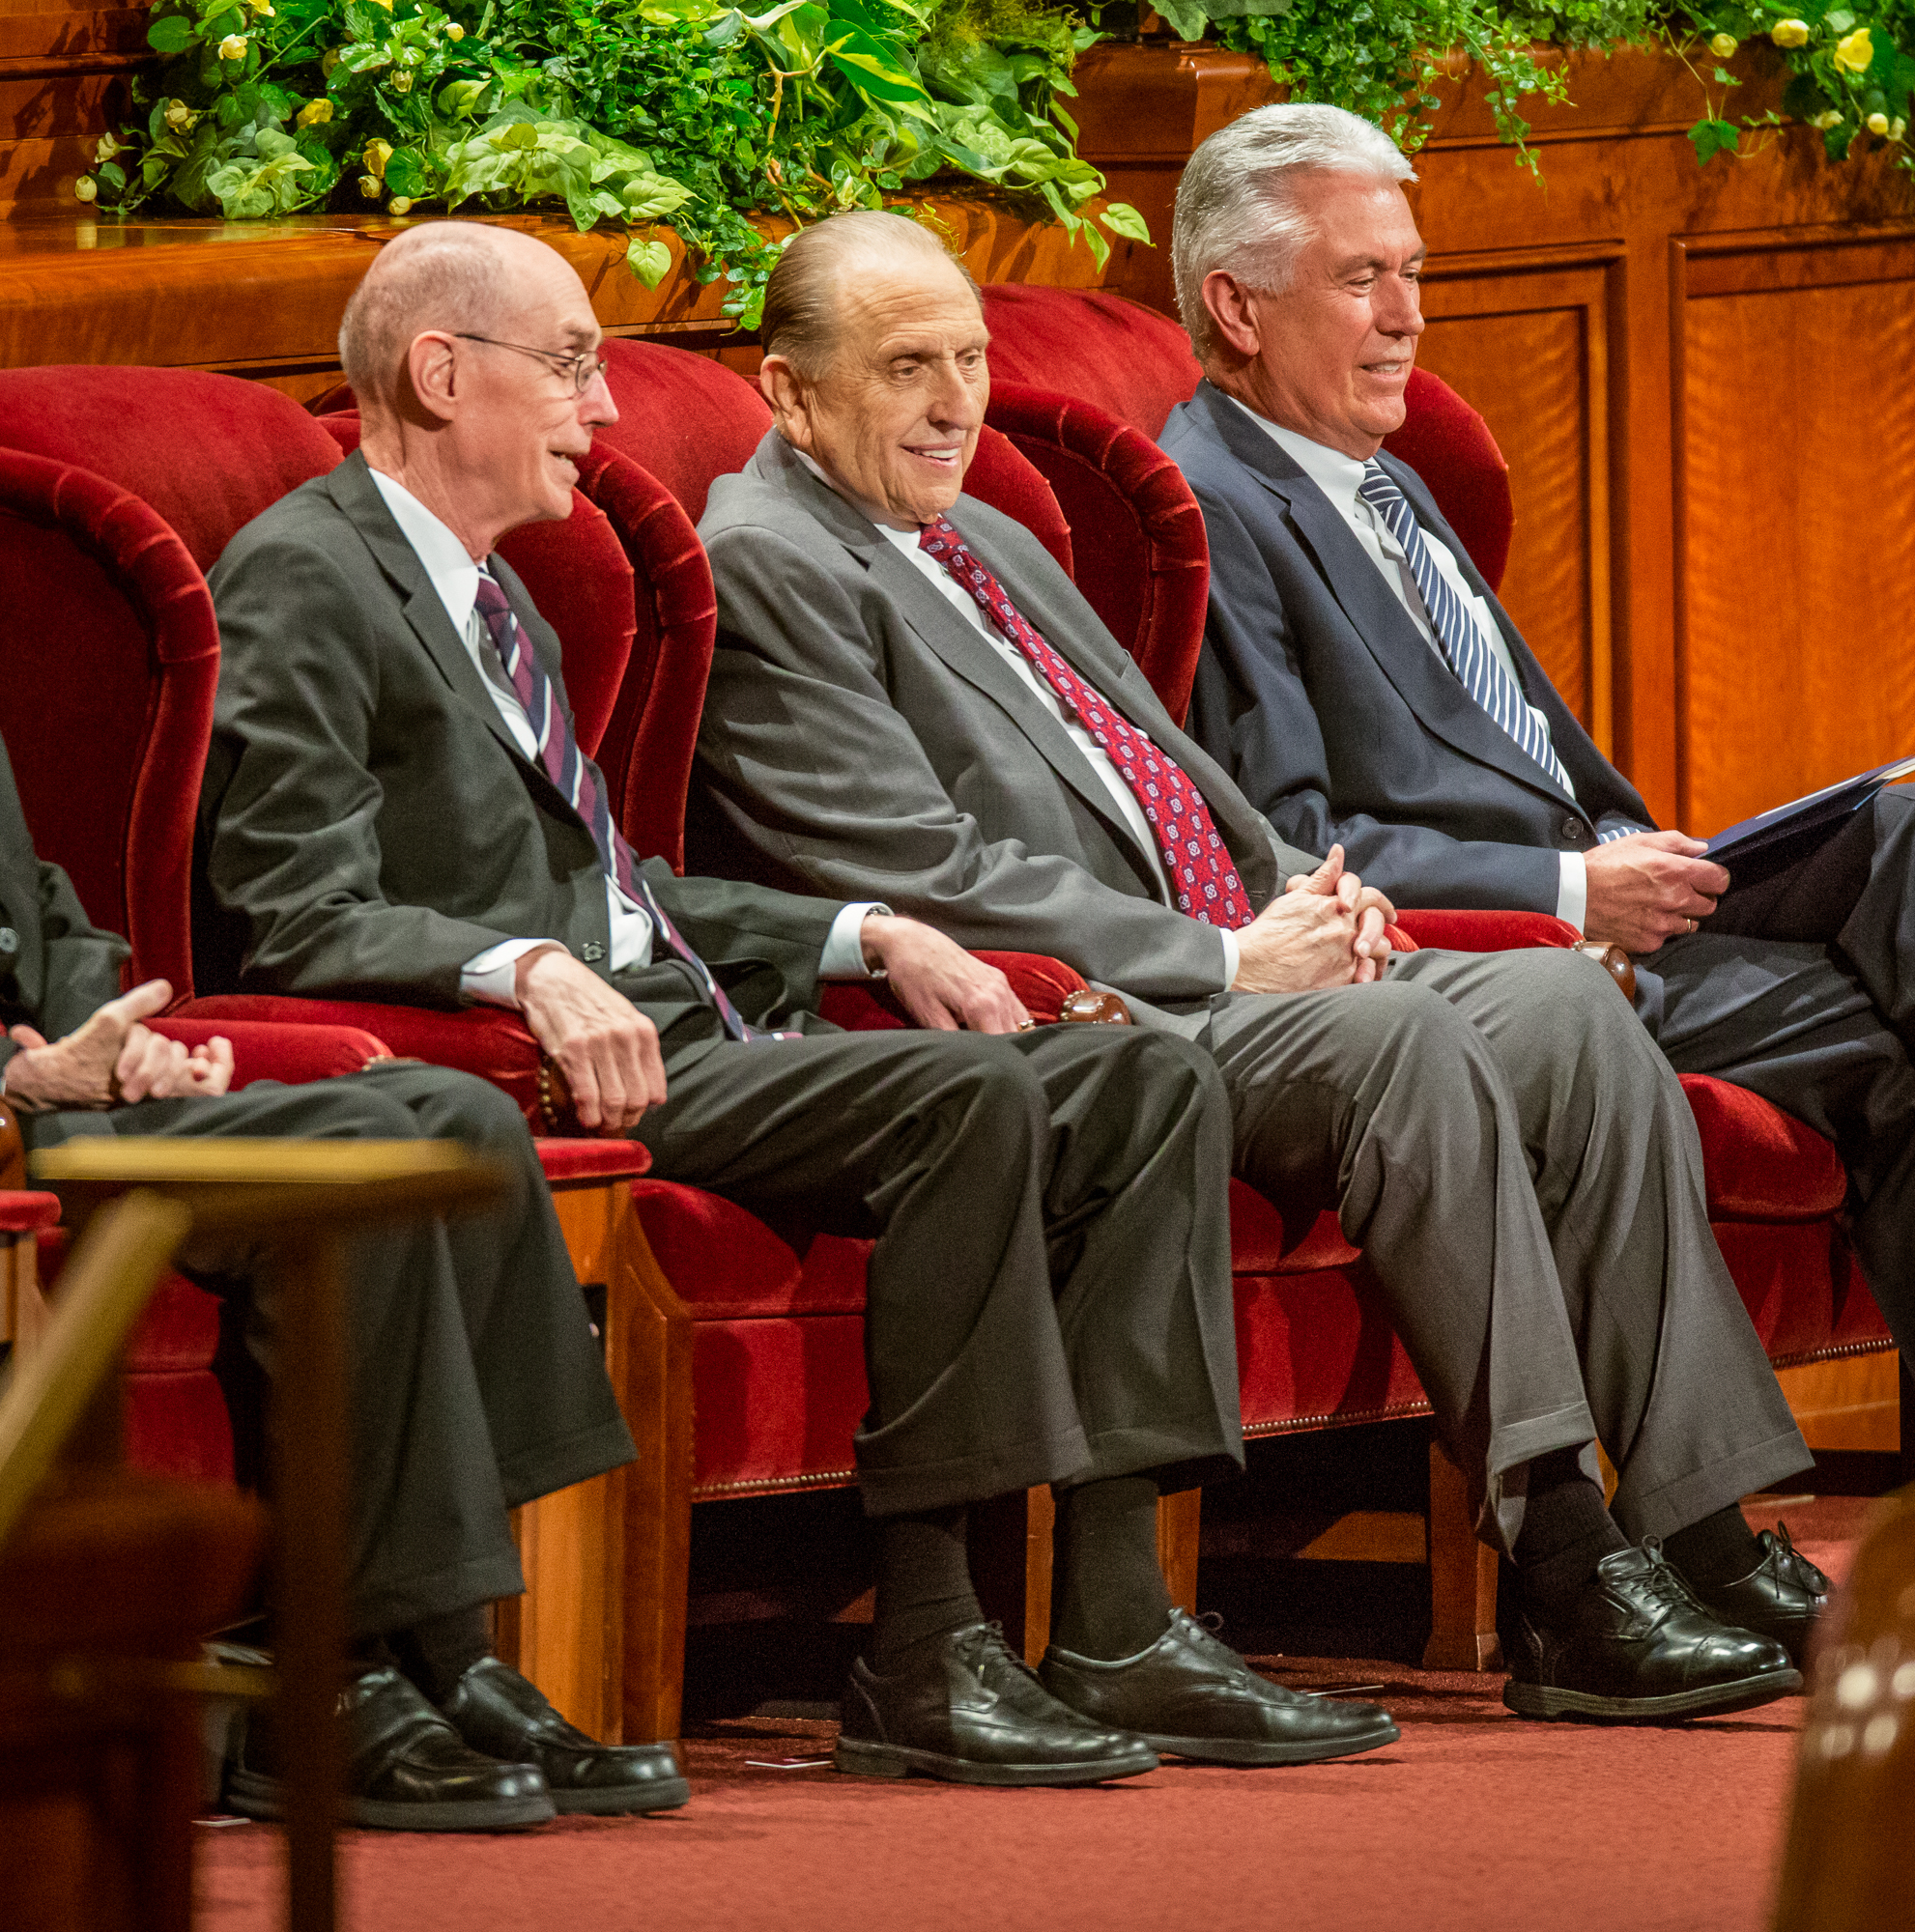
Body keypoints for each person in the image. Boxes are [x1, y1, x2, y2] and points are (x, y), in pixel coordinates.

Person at [192, 221, 1388, 1786]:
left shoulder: (497, 601)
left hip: (699, 1019)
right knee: (973, 1097)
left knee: (1142, 1081)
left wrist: (863, 930)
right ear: (438, 372)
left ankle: (1117, 1623)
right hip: (572, 1062)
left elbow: (619, 892)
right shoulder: (308, 574)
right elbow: (291, 909)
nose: (602, 407)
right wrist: (520, 968)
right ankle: (929, 1642)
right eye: (568, 366)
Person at [689, 206, 1825, 1723]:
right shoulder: (768, 561)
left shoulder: (985, 532)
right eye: (907, 368)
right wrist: (1230, 955)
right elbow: (921, 871)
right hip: (1101, 1013)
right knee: (1405, 1044)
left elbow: (1170, 775)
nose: (955, 402)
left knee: (1562, 1003)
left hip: (1234, 949)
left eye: (966, 359)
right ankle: (1561, 1561)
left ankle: (1700, 1528)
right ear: (789, 390)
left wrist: (1312, 894)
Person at [1157, 101, 1915, 1391]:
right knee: (1882, 1051)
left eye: (1411, 274)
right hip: (1506, 956)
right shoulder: (1214, 503)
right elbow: (1291, 849)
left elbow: (1526, 760)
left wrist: (1622, 854)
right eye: (1359, 279)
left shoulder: (1384, 479)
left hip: (1621, 895)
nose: (1406, 317)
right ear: (1236, 307)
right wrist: (1571, 890)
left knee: (1896, 826)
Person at [0, 730, 687, 1831]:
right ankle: (338, 1668)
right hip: (15, 1133)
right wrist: (24, 1077)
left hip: (72, 1103)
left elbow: (46, 912)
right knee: (356, 1146)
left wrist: (116, 1043)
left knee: (458, 1119)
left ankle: (447, 1653)